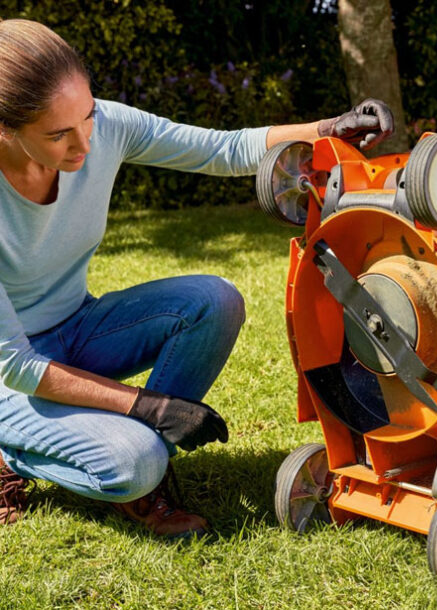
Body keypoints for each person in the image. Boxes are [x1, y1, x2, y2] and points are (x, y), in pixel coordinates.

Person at [0, 18, 394, 538]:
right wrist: (149, 406)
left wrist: (326, 130)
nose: (86, 145)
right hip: (12, 374)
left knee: (214, 300)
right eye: (58, 134)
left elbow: (220, 149)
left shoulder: (107, 127)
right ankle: (22, 455)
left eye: (88, 117)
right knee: (134, 461)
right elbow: (18, 366)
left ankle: (139, 462)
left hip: (78, 327)